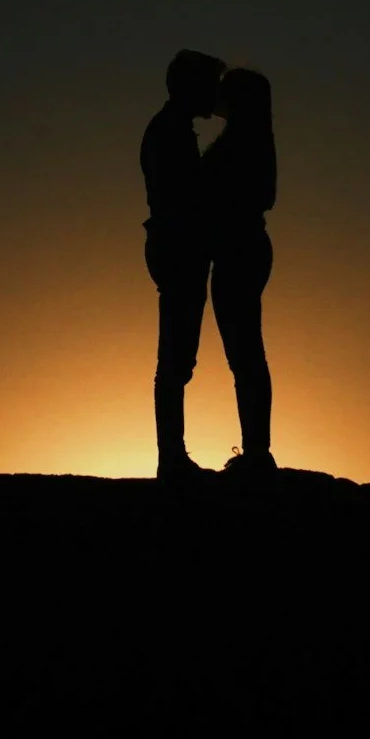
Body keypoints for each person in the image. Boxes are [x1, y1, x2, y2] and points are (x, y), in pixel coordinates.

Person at [141, 49, 226, 480]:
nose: (216, 95)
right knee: (176, 358)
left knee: (177, 357)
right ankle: (171, 458)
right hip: (178, 247)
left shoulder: (171, 129)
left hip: (174, 245)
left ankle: (172, 456)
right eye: (210, 85)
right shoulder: (170, 132)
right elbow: (184, 197)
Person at [203, 66, 278, 481]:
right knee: (247, 355)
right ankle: (256, 449)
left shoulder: (242, 142)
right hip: (245, 249)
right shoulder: (252, 139)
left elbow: (257, 195)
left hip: (239, 251)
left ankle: (257, 452)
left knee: (245, 355)